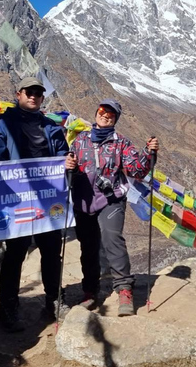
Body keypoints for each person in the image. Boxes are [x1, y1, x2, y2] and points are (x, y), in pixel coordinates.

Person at [65, 99, 159, 317]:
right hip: (84, 202)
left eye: (111, 114)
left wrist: (148, 152)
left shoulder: (122, 143)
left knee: (111, 238)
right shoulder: (80, 141)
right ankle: (90, 291)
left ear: (115, 119)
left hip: (111, 199)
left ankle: (124, 289)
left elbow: (136, 170)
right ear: (96, 113)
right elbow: (70, 167)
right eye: (102, 111)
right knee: (88, 247)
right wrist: (67, 166)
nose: (106, 115)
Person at [0, 77, 69, 331]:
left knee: (51, 250)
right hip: (17, 199)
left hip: (48, 199)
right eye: (29, 92)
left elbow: (62, 152)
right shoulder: (3, 122)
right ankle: (8, 305)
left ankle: (54, 299)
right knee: (15, 253)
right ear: (18, 93)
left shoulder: (51, 125)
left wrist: (67, 162)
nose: (34, 96)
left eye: (39, 93)